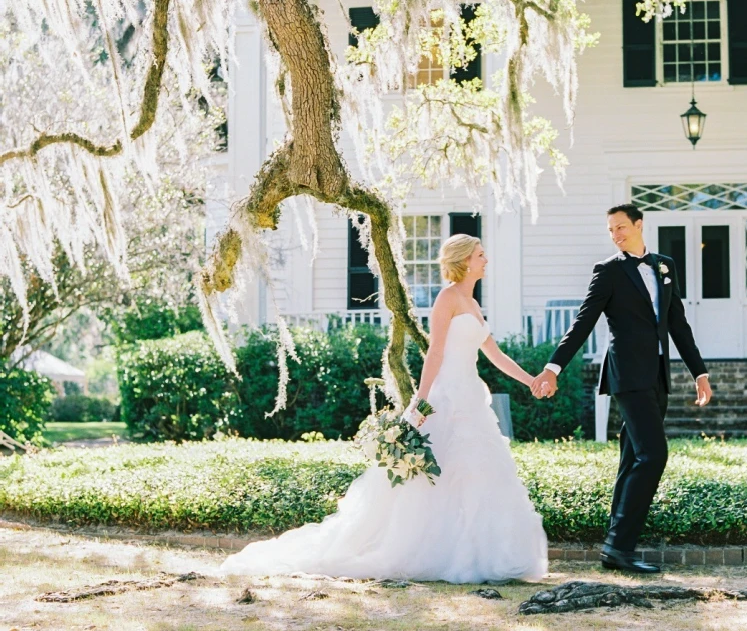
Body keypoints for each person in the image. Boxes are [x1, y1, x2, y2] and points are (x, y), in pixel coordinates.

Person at [221, 234, 548, 584]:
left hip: (471, 398)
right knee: (431, 480)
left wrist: (529, 379)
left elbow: (493, 355)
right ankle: (429, 551)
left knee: (478, 475)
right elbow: (435, 352)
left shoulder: (472, 302)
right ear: (466, 260)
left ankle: (476, 554)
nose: (486, 260)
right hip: (446, 399)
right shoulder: (448, 298)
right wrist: (420, 401)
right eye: (481, 255)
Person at [530, 204, 711, 574]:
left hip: (658, 377)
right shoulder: (608, 272)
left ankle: (615, 547)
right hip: (627, 378)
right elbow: (582, 322)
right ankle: (621, 547)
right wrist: (553, 367)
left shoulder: (665, 266)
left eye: (622, 227)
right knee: (653, 455)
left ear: (639, 225)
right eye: (611, 230)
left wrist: (699, 372)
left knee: (632, 458)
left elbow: (678, 323)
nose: (616, 235)